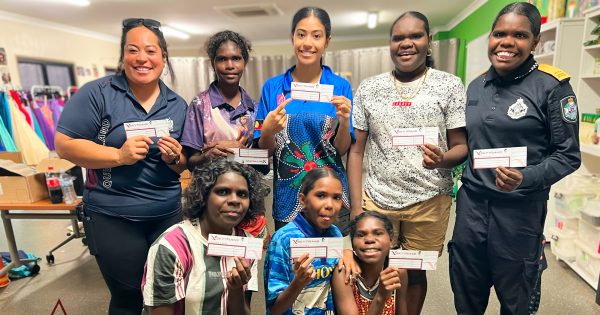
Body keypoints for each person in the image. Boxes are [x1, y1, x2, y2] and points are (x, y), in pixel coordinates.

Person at [448, 3, 581, 314]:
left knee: (516, 297)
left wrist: (526, 177)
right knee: (466, 290)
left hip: (520, 211)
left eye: (519, 35)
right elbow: (470, 143)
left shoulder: (554, 87)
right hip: (472, 207)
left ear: (535, 42)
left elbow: (568, 155)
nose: (506, 42)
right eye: (499, 33)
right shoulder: (476, 85)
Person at [55, 18, 187, 314]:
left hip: (166, 214)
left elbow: (184, 163)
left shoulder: (177, 104)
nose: (142, 58)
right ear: (123, 56)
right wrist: (118, 156)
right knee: (129, 295)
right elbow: (64, 145)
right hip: (113, 214)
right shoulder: (97, 93)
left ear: (163, 58)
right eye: (133, 50)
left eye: (151, 51)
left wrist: (175, 158)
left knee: (169, 293)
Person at [346, 11, 467, 315]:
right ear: (390, 44)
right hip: (377, 198)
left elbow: (461, 147)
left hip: (428, 201)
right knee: (374, 270)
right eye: (398, 37)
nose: (406, 43)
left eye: (415, 36)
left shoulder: (449, 85)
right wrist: (357, 206)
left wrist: (443, 159)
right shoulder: (370, 89)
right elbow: (356, 151)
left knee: (413, 273)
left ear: (429, 42)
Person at [255, 6, 354, 233]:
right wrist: (268, 130)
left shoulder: (340, 87)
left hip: (331, 197)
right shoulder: (272, 87)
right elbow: (264, 152)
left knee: (330, 263)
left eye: (316, 36)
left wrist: (345, 121)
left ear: (327, 41)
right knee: (290, 264)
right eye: (301, 34)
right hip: (289, 195)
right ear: (292, 38)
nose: (307, 43)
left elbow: (341, 149)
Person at [142, 159, 270, 314]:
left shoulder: (248, 244)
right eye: (222, 191)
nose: (235, 200)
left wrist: (235, 289)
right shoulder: (171, 247)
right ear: (203, 196)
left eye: (242, 194)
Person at [264, 168, 344, 315]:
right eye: (321, 195)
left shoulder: (335, 234)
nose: (330, 205)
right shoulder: (283, 240)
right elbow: (274, 309)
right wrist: (298, 282)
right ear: (302, 199)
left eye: (337, 197)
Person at [181, 30, 257, 168]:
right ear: (213, 64)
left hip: (246, 187)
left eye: (236, 58)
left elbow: (263, 165)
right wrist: (207, 156)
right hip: (209, 187)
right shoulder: (200, 104)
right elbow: (190, 163)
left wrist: (238, 150)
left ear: (244, 62)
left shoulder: (255, 108)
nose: (230, 65)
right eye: (222, 59)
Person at [332, 211, 408, 315]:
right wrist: (380, 296)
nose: (369, 239)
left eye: (378, 233)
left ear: (391, 240)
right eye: (361, 235)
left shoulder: (397, 272)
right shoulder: (344, 273)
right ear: (352, 243)